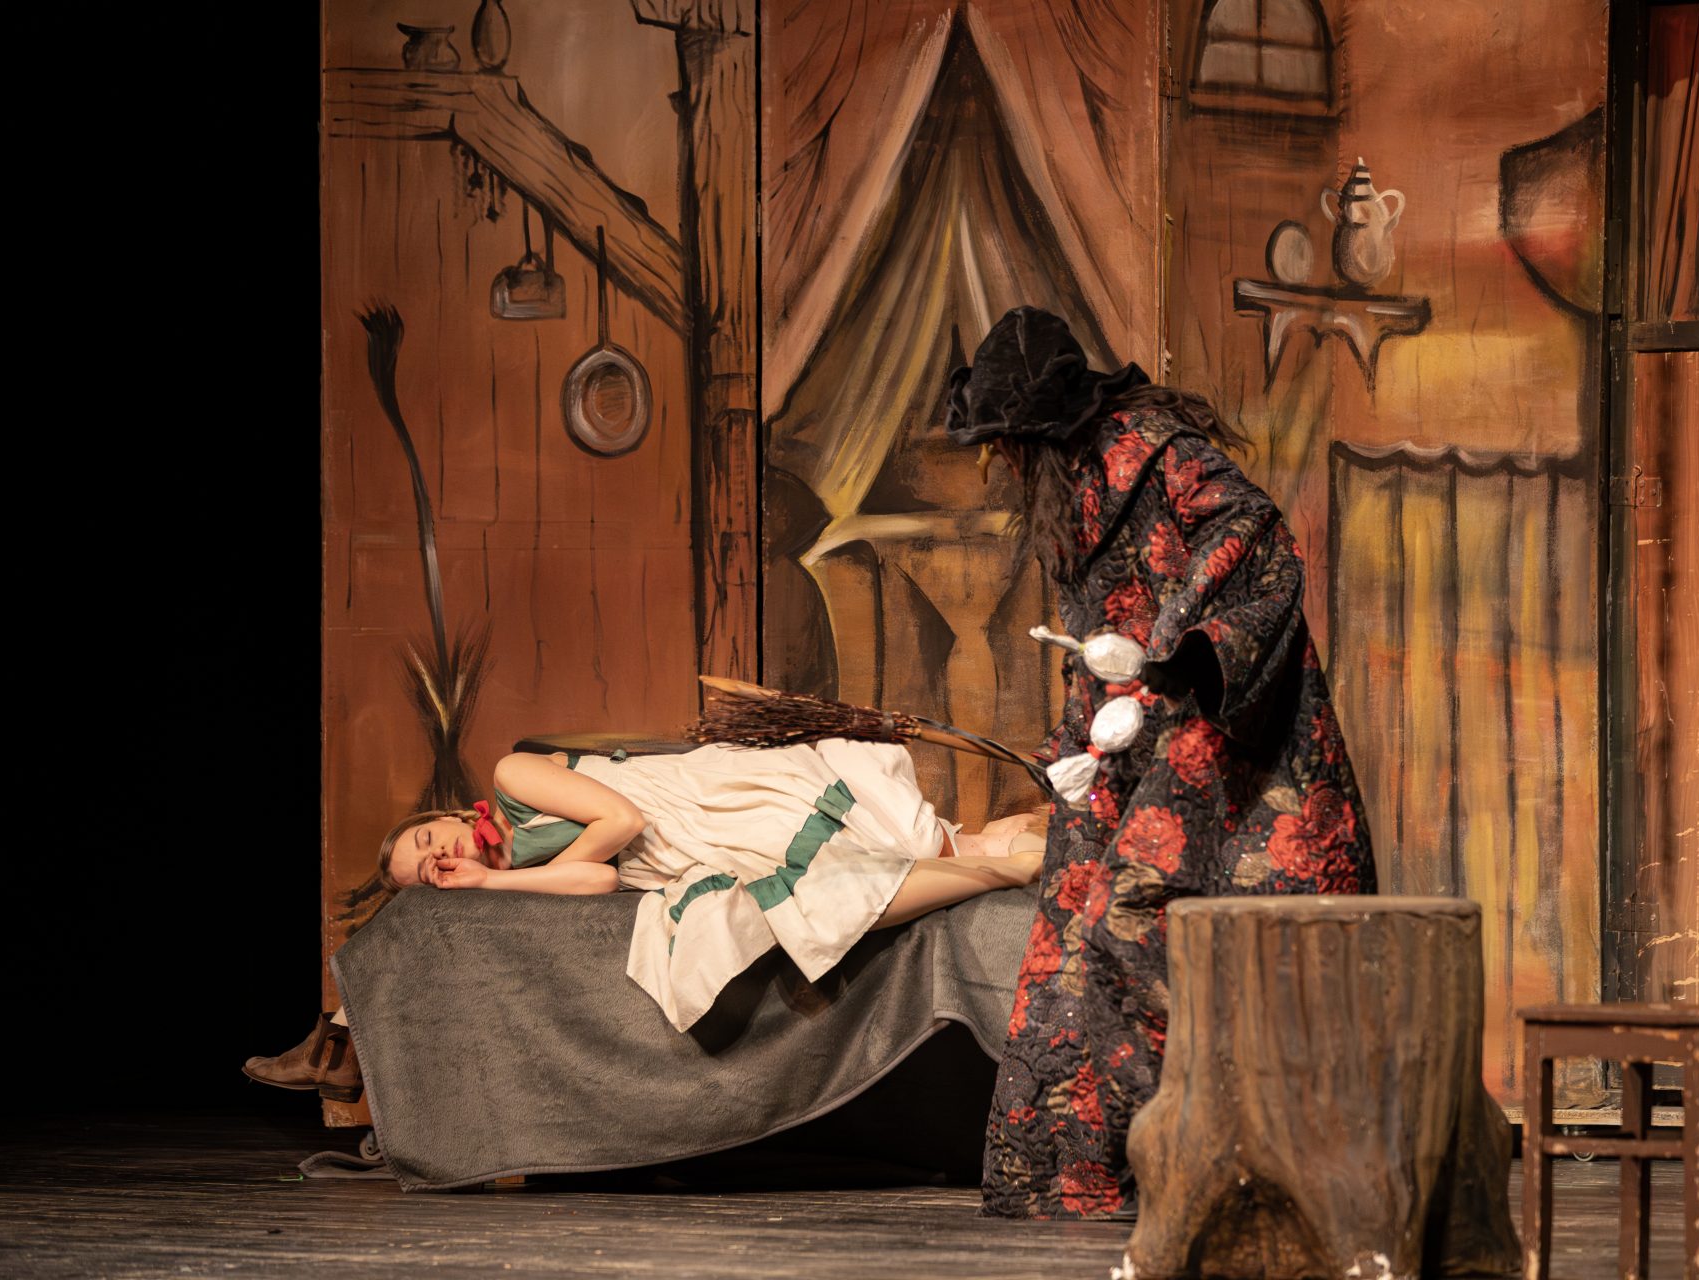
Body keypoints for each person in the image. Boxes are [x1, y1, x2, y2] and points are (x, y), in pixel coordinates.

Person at [944, 306, 1376, 1220]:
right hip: (1131, 737)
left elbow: (1253, 536)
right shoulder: (1071, 488)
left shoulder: (1156, 452)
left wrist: (1173, 649)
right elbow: (1099, 631)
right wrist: (1075, 748)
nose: (999, 465)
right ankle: (1078, 1175)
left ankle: (1211, 1166)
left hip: (1216, 724)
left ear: (1036, 435)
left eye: (1005, 446)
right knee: (1073, 932)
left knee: (1141, 924)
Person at [245, 739, 1046, 1094]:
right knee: (841, 891)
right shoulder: (510, 877)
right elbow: (596, 881)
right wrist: (489, 885)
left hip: (706, 810)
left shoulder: (513, 774)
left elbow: (621, 821)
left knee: (867, 868)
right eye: (427, 871)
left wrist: (515, 875)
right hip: (691, 854)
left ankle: (1010, 860)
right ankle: (1012, 854)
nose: (440, 855)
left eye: (430, 839)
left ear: (450, 815)